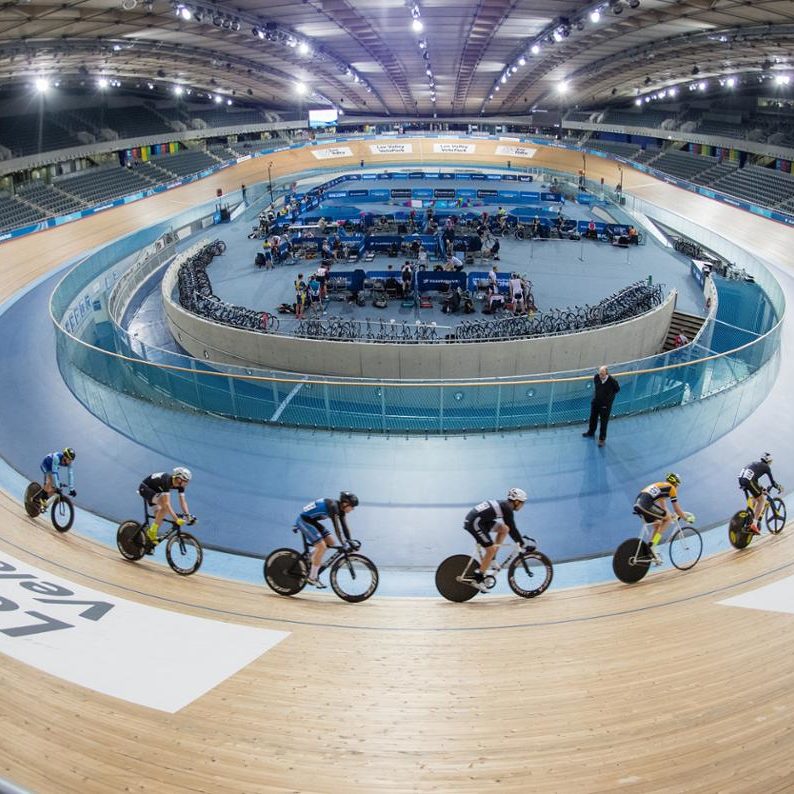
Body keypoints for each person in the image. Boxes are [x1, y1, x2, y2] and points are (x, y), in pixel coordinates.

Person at [463, 489, 529, 592]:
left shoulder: (505, 505)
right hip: (474, 523)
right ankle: (478, 579)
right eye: (522, 503)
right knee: (491, 549)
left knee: (504, 529)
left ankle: (492, 560)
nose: (522, 505)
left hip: (480, 521)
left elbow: (509, 528)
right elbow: (513, 529)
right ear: (516, 501)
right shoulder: (507, 509)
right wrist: (523, 543)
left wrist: (520, 541)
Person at [295, 492, 359, 588]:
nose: (353, 509)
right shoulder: (333, 507)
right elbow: (337, 529)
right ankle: (312, 578)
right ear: (345, 503)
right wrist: (344, 544)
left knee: (331, 542)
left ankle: (310, 557)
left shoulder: (341, 510)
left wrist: (350, 540)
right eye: (352, 506)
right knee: (321, 547)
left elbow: (344, 527)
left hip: (311, 521)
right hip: (304, 521)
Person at [632, 473, 695, 564]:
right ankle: (653, 544)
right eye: (677, 485)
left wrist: (670, 515)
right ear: (675, 483)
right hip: (645, 504)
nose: (677, 487)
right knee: (668, 520)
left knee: (658, 523)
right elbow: (677, 509)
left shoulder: (662, 487)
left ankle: (650, 550)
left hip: (638, 503)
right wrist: (686, 518)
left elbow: (663, 508)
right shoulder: (671, 488)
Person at [138, 467, 193, 548]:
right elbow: (166, 504)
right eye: (185, 480)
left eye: (187, 481)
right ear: (178, 478)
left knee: (159, 519)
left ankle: (148, 542)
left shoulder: (180, 485)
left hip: (156, 491)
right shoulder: (167, 480)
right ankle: (151, 533)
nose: (186, 483)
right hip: (145, 488)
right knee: (164, 507)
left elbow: (183, 502)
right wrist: (176, 519)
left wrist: (188, 515)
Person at [738, 453, 784, 535]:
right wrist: (779, 487)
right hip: (749, 481)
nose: (770, 463)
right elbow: (773, 483)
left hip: (741, 479)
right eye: (770, 461)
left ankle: (749, 515)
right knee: (762, 499)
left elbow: (754, 479)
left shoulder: (756, 464)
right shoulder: (766, 467)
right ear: (768, 461)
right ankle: (754, 524)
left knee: (756, 496)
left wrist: (762, 489)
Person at [583, 366, 620, 447]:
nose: (601, 376)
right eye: (600, 374)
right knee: (593, 418)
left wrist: (609, 399)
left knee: (604, 422)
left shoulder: (612, 381)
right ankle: (591, 432)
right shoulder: (596, 377)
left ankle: (602, 439)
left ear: (606, 373)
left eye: (602, 374)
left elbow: (617, 389)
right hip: (596, 403)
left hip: (605, 405)